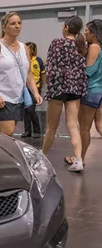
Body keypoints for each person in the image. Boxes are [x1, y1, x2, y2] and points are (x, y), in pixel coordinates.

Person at [0, 12, 42, 137]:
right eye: (13, 23)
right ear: (4, 27)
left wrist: (35, 93)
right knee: (8, 132)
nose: (17, 26)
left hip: (17, 97)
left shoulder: (24, 47)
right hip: (1, 96)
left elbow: (28, 73)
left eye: (19, 23)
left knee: (4, 134)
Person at [41, 15, 88, 172]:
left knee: (51, 127)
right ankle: (79, 160)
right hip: (75, 89)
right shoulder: (82, 45)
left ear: (66, 27)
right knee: (73, 125)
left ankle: (41, 157)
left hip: (58, 88)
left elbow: (51, 66)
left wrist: (48, 85)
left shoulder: (57, 42)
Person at [64, 19, 102, 167]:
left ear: (93, 33)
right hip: (99, 92)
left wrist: (75, 69)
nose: (84, 33)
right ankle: (78, 157)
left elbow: (89, 71)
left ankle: (80, 158)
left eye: (87, 30)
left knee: (84, 128)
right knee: (99, 125)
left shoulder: (94, 47)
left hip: (91, 91)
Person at [21, 42, 46, 138]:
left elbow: (43, 74)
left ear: (31, 50)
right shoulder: (24, 60)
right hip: (25, 88)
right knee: (25, 110)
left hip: (35, 87)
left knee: (31, 109)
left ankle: (37, 130)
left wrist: (41, 87)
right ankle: (27, 131)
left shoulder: (38, 61)